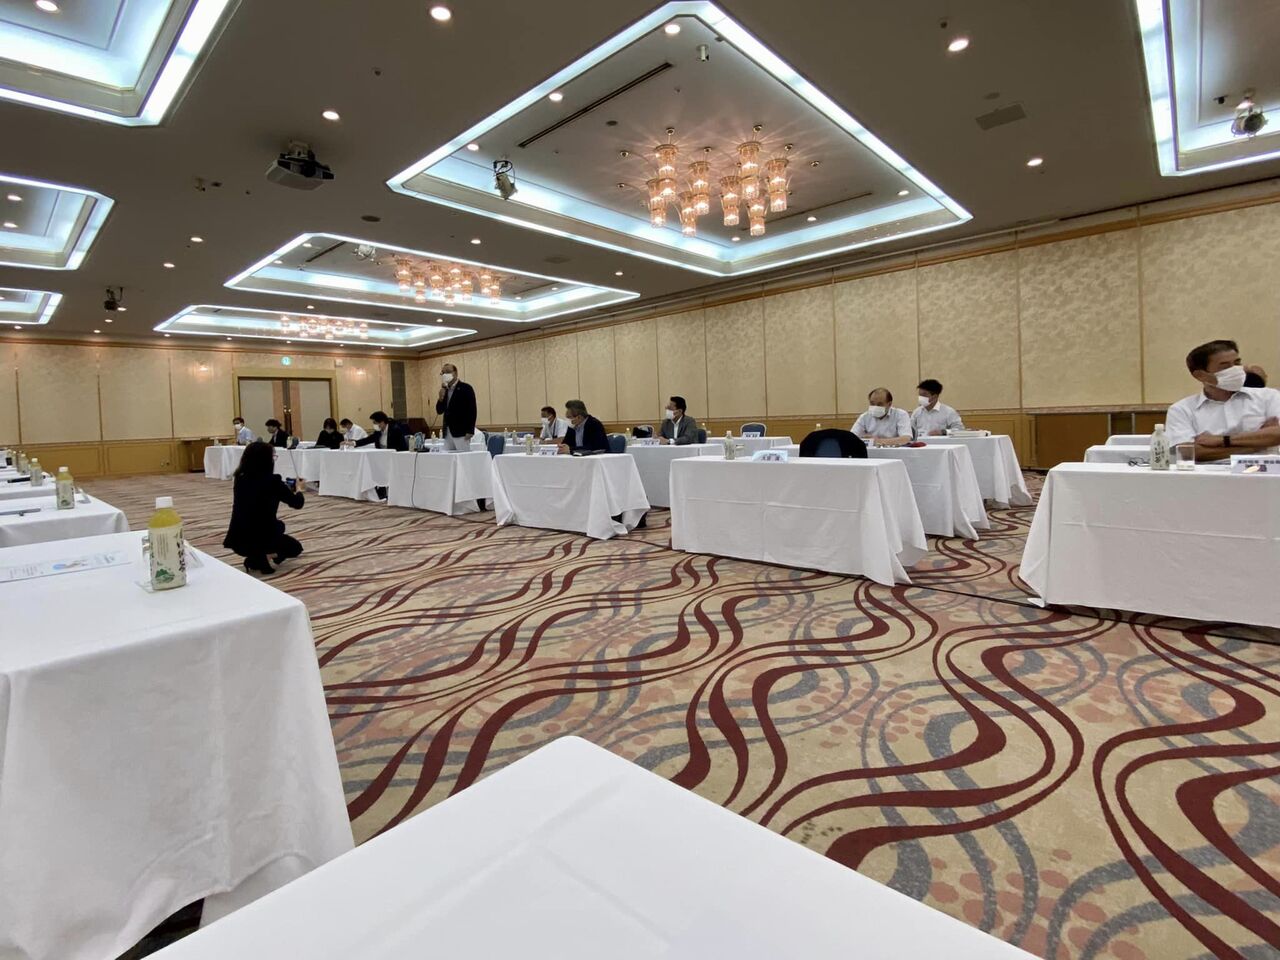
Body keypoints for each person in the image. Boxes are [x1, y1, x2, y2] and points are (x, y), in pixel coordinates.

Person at [1165, 340, 1280, 459]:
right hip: (1210, 470)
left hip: (1264, 469)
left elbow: (1278, 434)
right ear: (1200, 375)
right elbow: (1187, 452)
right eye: (1225, 366)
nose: (1236, 370)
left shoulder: (1269, 396)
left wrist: (1223, 440)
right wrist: (1257, 445)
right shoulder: (1182, 409)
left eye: (1237, 363)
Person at [222, 441, 305, 576]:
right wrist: (299, 489)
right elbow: (297, 503)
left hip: (238, 539)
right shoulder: (273, 481)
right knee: (295, 547)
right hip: (264, 537)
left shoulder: (240, 479)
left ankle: (257, 558)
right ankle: (264, 556)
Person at [435, 362, 478, 452]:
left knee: (463, 456)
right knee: (448, 457)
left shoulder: (466, 388)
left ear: (455, 373)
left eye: (448, 372)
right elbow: (439, 411)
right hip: (447, 432)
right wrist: (440, 399)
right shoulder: (444, 390)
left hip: (462, 432)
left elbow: (472, 410)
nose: (445, 375)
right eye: (443, 373)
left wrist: (470, 430)